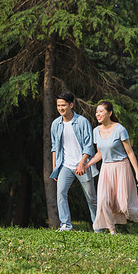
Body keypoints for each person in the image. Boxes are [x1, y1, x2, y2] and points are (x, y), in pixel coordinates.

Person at [84, 101, 138, 237]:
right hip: (106, 169)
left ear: (109, 113)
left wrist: (137, 173)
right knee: (104, 201)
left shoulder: (120, 129)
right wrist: (87, 164)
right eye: (97, 112)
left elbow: (130, 152)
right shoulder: (96, 131)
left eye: (101, 111)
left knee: (125, 205)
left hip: (121, 168)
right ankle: (112, 232)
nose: (98, 114)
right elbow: (100, 153)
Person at [50, 91, 99, 231]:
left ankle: (98, 226)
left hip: (83, 165)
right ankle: (66, 224)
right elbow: (54, 146)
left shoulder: (82, 122)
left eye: (63, 105)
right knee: (60, 194)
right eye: (58, 105)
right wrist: (55, 166)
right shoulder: (55, 124)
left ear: (71, 105)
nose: (61, 108)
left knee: (91, 199)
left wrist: (82, 163)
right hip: (65, 165)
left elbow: (89, 146)